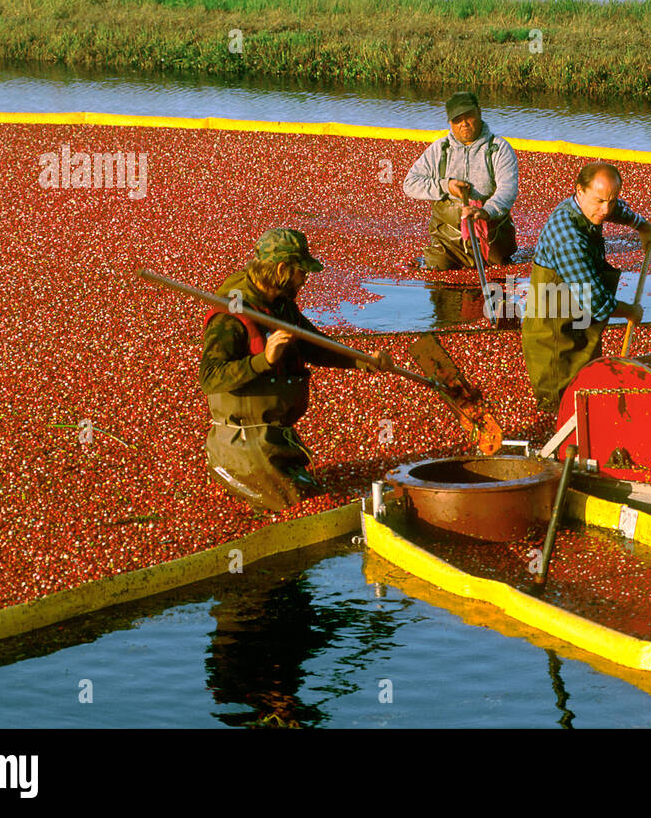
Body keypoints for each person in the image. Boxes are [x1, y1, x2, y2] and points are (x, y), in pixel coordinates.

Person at [200, 228, 392, 513]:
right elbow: (210, 377)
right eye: (301, 271)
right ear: (281, 269)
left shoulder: (280, 304)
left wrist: (365, 361)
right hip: (243, 439)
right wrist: (263, 360)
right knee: (303, 506)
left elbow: (314, 345)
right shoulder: (232, 314)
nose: (305, 279)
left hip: (275, 432)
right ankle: (225, 467)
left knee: (312, 495)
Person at [522, 162, 651, 414]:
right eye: (599, 201)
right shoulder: (567, 237)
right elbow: (596, 302)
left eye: (611, 199)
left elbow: (615, 209)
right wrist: (630, 311)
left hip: (579, 323)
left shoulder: (590, 207)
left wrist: (642, 226)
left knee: (588, 394)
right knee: (561, 409)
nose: (605, 209)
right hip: (554, 336)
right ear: (579, 190)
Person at [403, 90, 519, 269]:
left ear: (479, 113)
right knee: (437, 270)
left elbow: (508, 190)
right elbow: (410, 184)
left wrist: (486, 211)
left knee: (501, 278)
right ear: (450, 122)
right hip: (449, 240)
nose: (464, 123)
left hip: (491, 235)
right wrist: (445, 186)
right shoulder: (440, 150)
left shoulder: (498, 148)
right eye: (457, 119)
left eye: (469, 116)